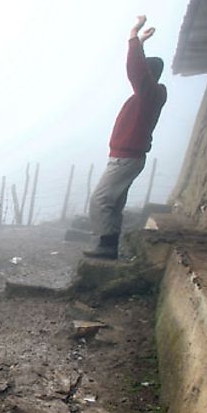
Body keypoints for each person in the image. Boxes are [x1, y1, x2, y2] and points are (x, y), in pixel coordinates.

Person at [85, 15, 167, 260]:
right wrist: (141, 42)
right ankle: (108, 246)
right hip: (127, 156)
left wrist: (134, 35)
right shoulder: (148, 97)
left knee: (99, 200)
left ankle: (106, 244)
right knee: (114, 202)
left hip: (125, 158)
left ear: (149, 76)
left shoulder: (149, 93)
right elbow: (140, 71)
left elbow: (137, 70)